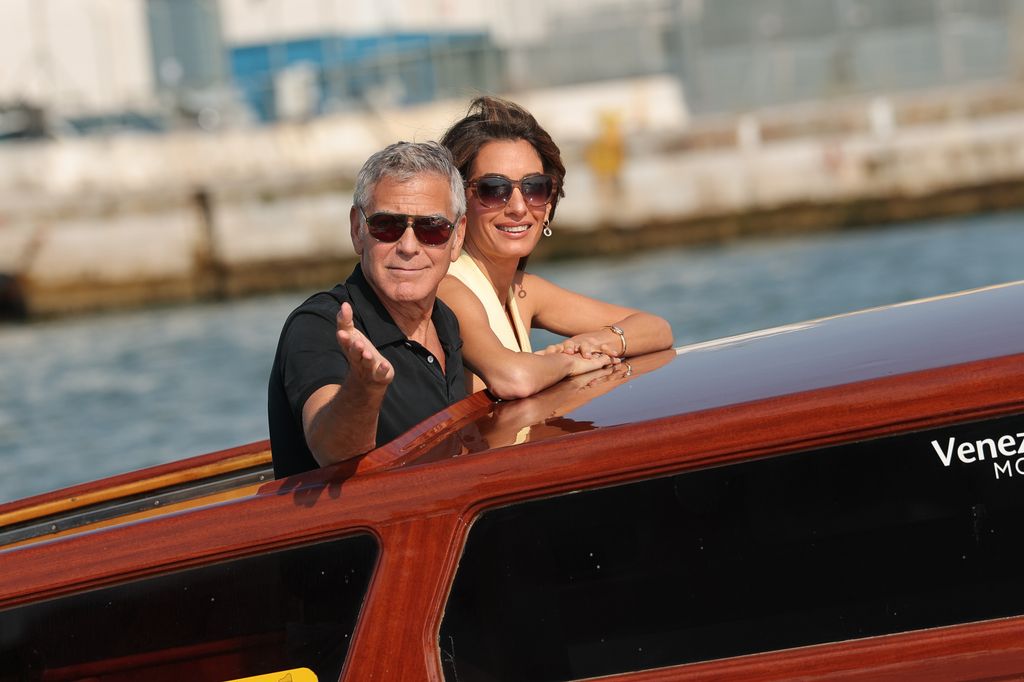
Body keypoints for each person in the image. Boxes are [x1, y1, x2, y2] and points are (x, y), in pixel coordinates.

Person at [438, 96, 673, 398]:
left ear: (549, 205)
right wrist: (567, 362)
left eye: (534, 187)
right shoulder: (448, 286)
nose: (519, 208)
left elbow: (657, 328)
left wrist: (600, 342)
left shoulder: (524, 292)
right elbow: (513, 377)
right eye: (493, 190)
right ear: (458, 202)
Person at [268, 141, 468, 478]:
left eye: (431, 229)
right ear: (357, 230)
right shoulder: (320, 325)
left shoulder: (445, 322)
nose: (407, 246)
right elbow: (330, 448)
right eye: (387, 226)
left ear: (457, 237)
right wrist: (364, 389)